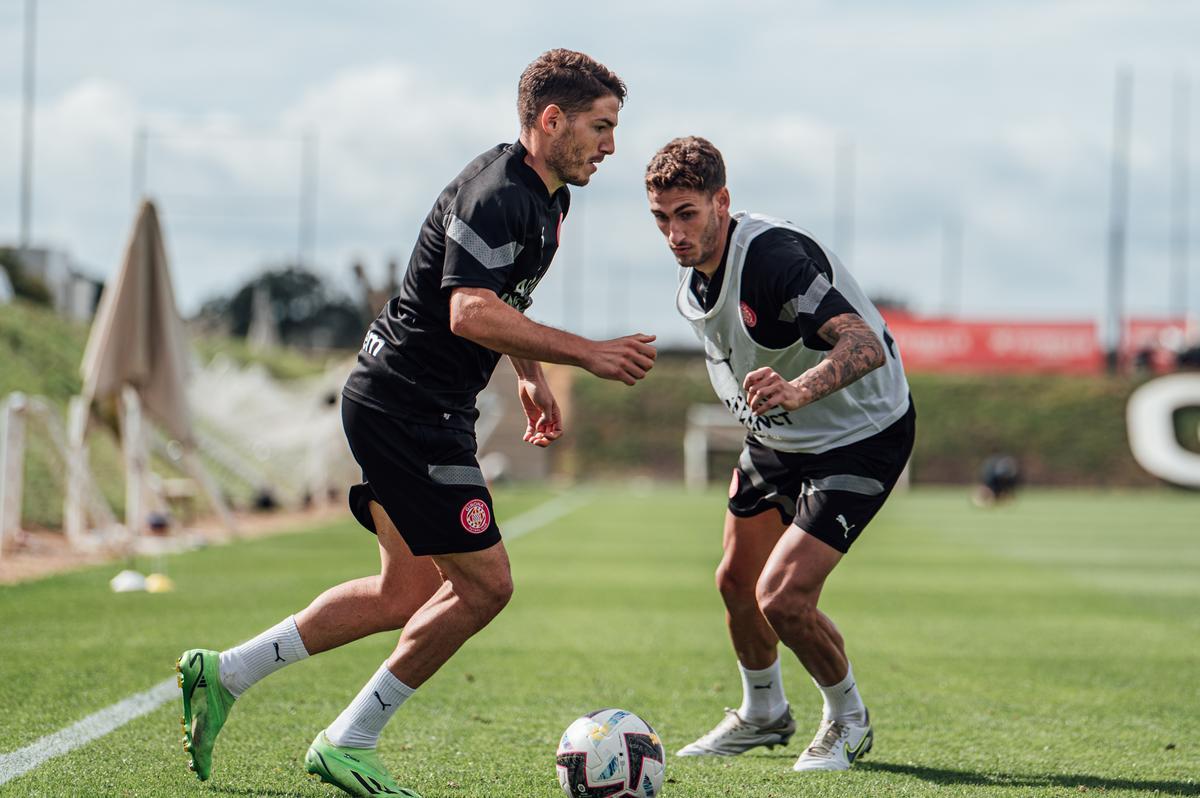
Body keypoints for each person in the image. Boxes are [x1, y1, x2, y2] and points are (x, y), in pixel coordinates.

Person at [176, 49, 657, 798]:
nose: (612, 146)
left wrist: (530, 375)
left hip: (414, 405)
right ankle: (348, 740)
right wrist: (585, 354)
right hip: (409, 409)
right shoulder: (499, 192)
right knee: (486, 586)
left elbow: (502, 302)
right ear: (551, 120)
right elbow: (468, 310)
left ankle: (225, 672)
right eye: (601, 127)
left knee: (403, 592)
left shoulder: (551, 199)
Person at [644, 136, 915, 773]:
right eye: (661, 218)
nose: (675, 233)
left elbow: (863, 343)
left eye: (686, 213)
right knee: (735, 583)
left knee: (783, 597)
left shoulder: (771, 259)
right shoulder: (692, 282)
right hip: (777, 440)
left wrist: (796, 388)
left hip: (861, 433)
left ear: (722, 202)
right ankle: (763, 712)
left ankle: (849, 720)